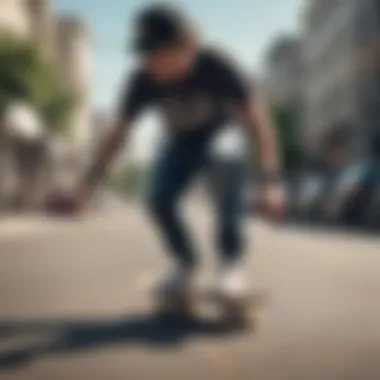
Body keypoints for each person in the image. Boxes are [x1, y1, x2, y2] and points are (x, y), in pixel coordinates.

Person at [76, 4, 284, 303]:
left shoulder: (219, 66)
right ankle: (186, 263)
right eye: (145, 53)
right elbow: (117, 134)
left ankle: (231, 267)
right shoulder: (141, 80)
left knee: (226, 155)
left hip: (222, 133)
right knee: (157, 199)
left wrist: (271, 182)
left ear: (187, 45)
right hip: (180, 141)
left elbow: (260, 126)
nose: (151, 63)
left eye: (159, 53)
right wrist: (90, 182)